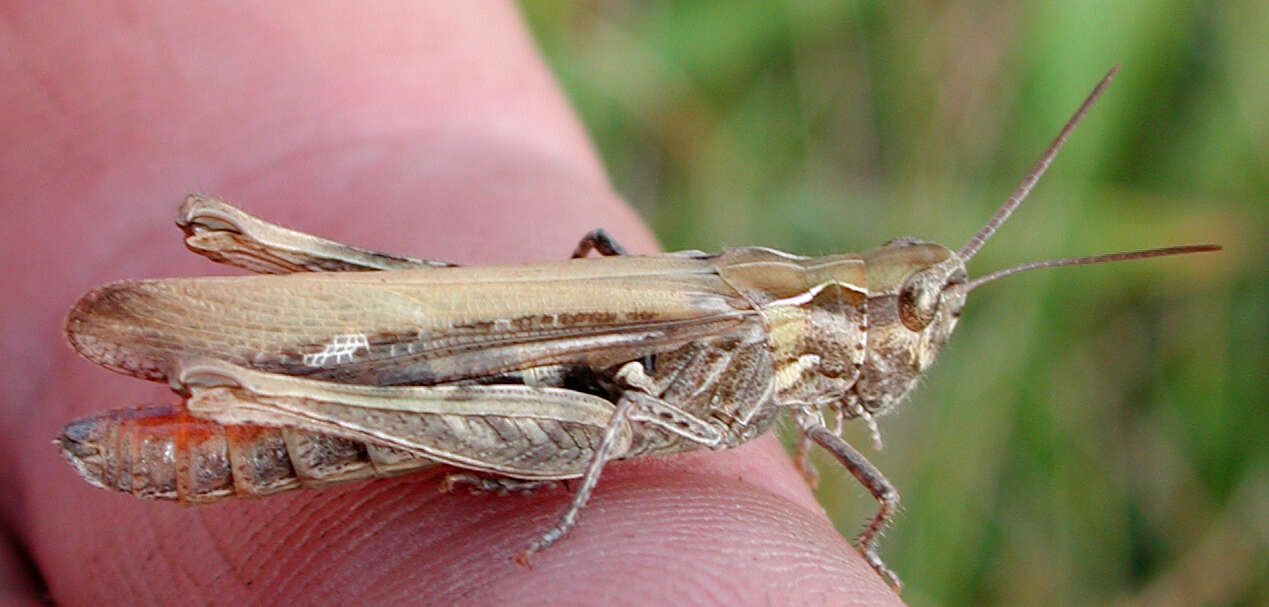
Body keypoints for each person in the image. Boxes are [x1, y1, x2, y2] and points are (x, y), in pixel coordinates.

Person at [0, 4, 902, 605]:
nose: (901, 341)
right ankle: (247, 394)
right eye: (896, 313)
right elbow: (618, 409)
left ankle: (247, 387)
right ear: (838, 311)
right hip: (421, 392)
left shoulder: (762, 333)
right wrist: (563, 522)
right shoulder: (743, 322)